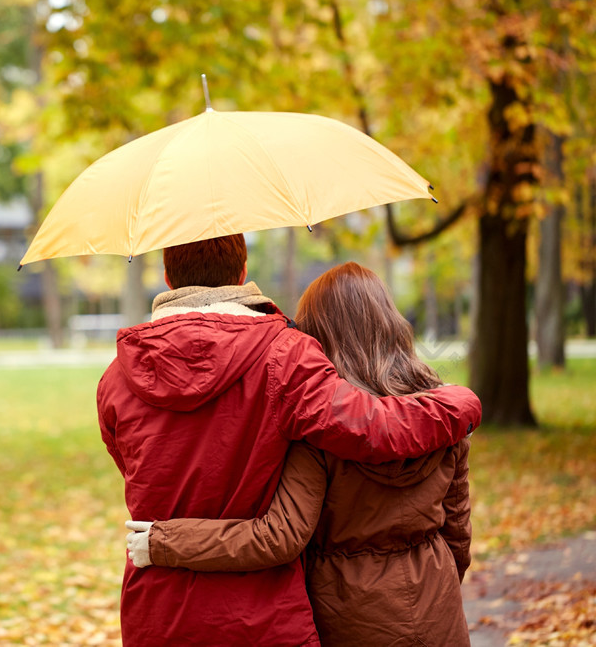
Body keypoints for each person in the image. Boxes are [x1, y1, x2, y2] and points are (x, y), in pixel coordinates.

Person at [97, 236, 479, 646]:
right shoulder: (289, 360)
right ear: (243, 273)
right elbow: (373, 428)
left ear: (168, 279)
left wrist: (161, 541)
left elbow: (135, 468)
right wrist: (459, 402)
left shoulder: (115, 379)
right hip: (264, 614)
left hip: (159, 611)